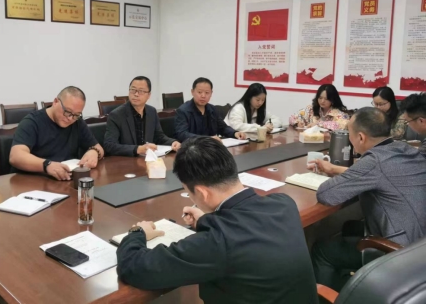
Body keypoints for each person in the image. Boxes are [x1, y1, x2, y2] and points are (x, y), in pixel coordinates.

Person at [116, 137, 318, 304]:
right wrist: (207, 220)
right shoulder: (283, 204)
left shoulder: (218, 242)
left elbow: (134, 267)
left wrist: (137, 233)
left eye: (189, 193)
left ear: (202, 193)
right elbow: (245, 228)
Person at [308, 107, 426, 291]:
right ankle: (355, 285)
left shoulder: (374, 161)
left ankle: (332, 297)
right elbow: (384, 176)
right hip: (420, 245)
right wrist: (338, 170)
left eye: (350, 134)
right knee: (349, 227)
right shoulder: (405, 149)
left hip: (400, 253)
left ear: (361, 137)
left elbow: (326, 194)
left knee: (322, 250)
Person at [9, 86, 104, 180]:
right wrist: (47, 165)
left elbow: (99, 148)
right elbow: (16, 156)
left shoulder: (77, 122)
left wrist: (94, 152)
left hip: (64, 179)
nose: (70, 118)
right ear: (55, 102)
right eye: (67, 111)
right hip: (32, 181)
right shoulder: (32, 122)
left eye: (76, 115)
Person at [103, 76, 180, 157]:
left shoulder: (152, 112)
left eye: (141, 91)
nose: (136, 94)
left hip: (148, 159)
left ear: (149, 95)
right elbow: (109, 145)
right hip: (126, 160)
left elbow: (159, 136)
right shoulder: (116, 115)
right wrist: (137, 149)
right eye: (133, 90)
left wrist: (172, 142)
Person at [175, 78, 246, 142]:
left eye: (207, 93)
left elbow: (222, 128)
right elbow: (182, 134)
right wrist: (207, 139)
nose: (203, 96)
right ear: (192, 92)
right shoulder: (183, 111)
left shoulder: (212, 109)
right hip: (191, 148)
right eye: (199, 92)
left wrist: (234, 133)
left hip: (210, 147)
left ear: (211, 93)